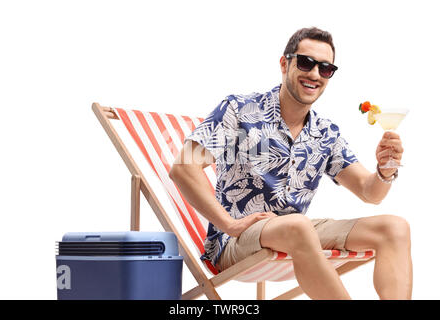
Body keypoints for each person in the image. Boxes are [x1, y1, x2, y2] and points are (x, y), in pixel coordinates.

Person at [169, 27, 412, 300]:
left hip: (298, 233)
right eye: (306, 63)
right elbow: (183, 168)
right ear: (285, 63)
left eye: (326, 69)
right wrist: (229, 224)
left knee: (395, 227)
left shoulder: (325, 132)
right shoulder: (239, 109)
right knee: (298, 225)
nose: (315, 74)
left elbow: (370, 193)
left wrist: (384, 170)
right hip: (236, 241)